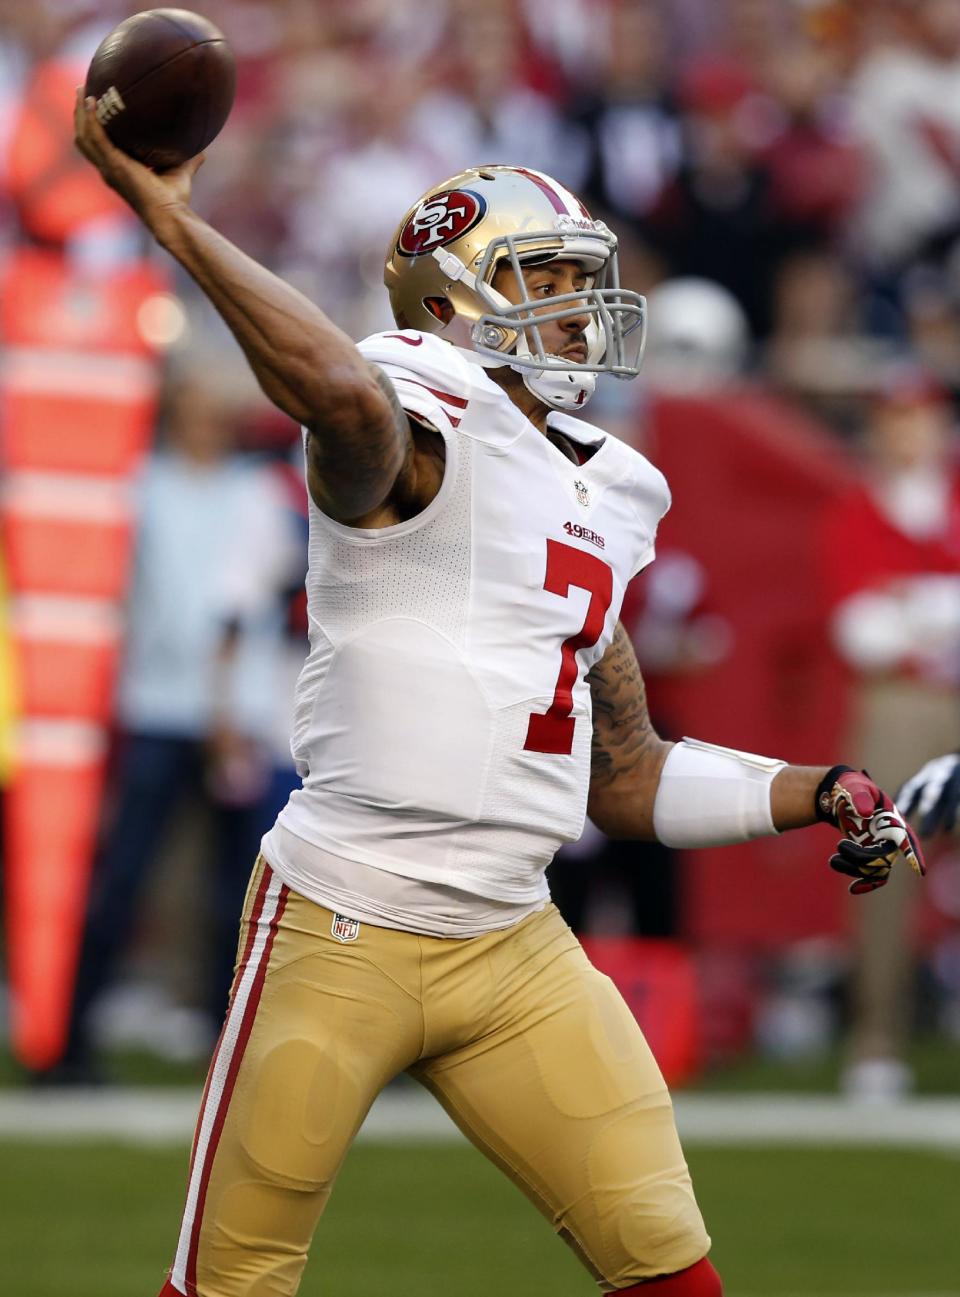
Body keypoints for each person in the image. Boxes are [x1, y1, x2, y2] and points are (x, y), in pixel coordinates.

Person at [74, 93, 925, 1297]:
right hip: (343, 921)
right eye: (539, 278)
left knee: (669, 1264)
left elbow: (623, 770)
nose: (577, 308)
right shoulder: (408, 412)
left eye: (580, 276)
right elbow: (338, 399)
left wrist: (818, 788)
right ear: (446, 301)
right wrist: (175, 223)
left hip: (515, 944)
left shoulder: (608, 489)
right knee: (232, 1280)